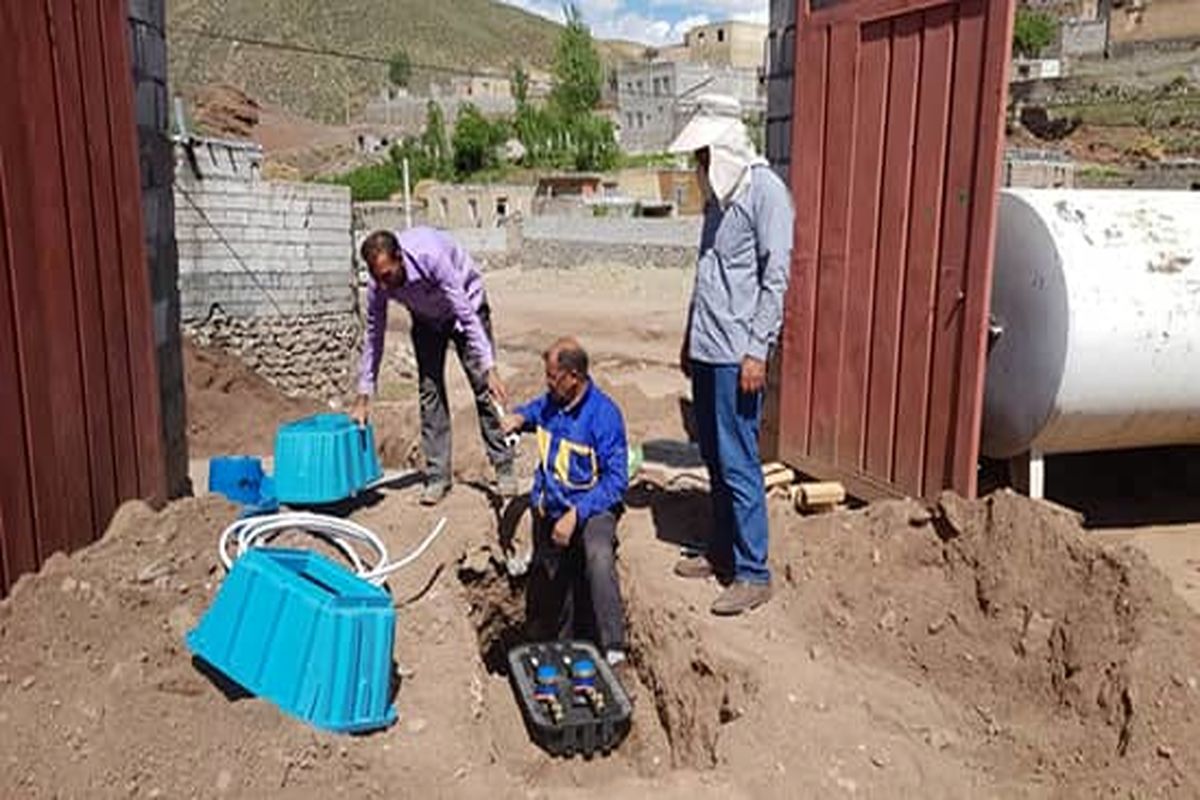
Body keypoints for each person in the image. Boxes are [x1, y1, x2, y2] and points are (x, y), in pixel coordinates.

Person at [669, 95, 795, 616]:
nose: (697, 168)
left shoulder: (765, 193)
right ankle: (721, 549)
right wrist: (687, 337)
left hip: (737, 353)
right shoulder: (720, 200)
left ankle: (753, 572)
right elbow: (707, 275)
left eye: (702, 157)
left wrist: (757, 351)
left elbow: (775, 277)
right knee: (715, 458)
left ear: (722, 152)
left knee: (740, 459)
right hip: (706, 348)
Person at [354, 228, 516, 505]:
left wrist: (489, 367)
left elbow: (465, 312)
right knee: (430, 392)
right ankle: (438, 476)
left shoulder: (431, 255)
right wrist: (363, 395)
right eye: (377, 277)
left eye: (388, 276)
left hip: (467, 307)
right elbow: (374, 336)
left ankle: (504, 468)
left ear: (400, 258)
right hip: (428, 319)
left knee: (483, 388)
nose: (383, 286)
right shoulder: (378, 285)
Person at [502, 338, 629, 668]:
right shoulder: (551, 404)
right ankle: (561, 646)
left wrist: (577, 514)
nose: (547, 383)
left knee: (598, 557)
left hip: (592, 508)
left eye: (552, 377)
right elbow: (533, 413)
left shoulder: (604, 416)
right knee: (554, 583)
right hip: (554, 508)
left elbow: (616, 481)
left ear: (574, 377)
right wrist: (517, 418)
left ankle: (613, 649)